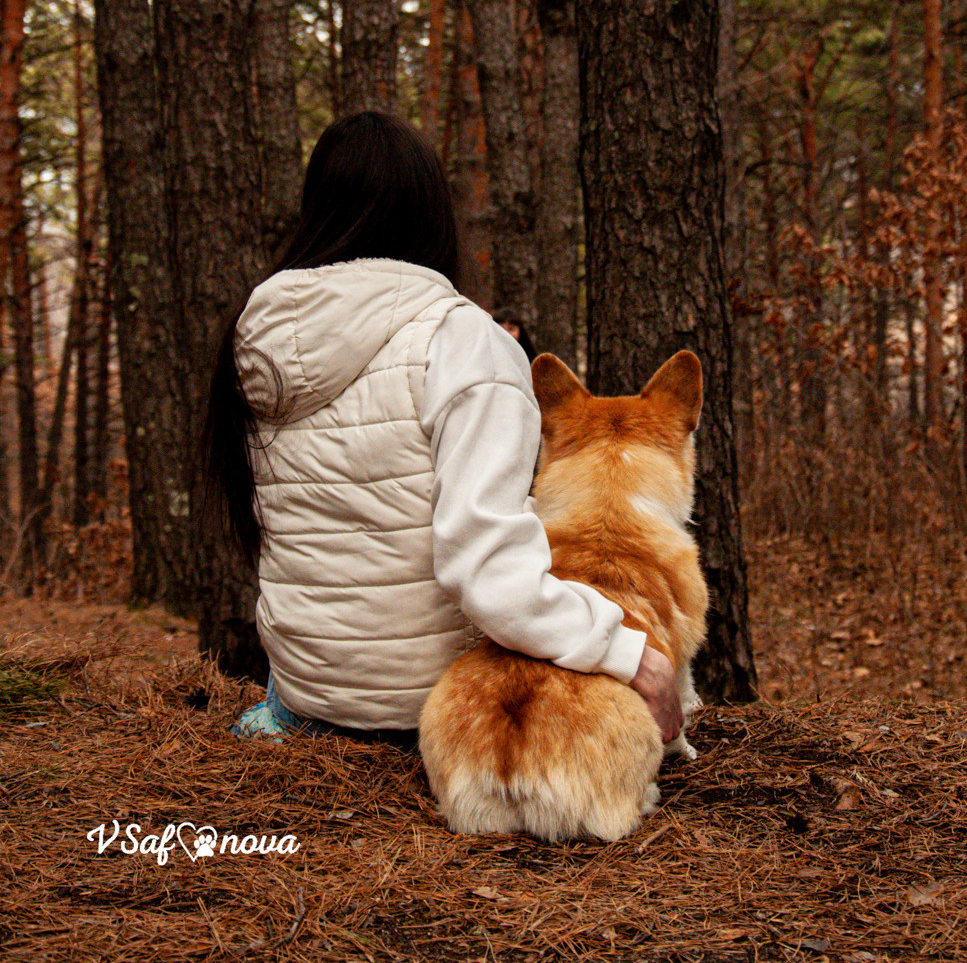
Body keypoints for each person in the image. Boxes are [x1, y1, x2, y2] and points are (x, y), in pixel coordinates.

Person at [204, 111, 682, 746]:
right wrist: (631, 655)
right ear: (431, 214)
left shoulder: (251, 339)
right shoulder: (462, 342)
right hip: (438, 713)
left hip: (304, 695)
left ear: (314, 208)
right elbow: (489, 573)